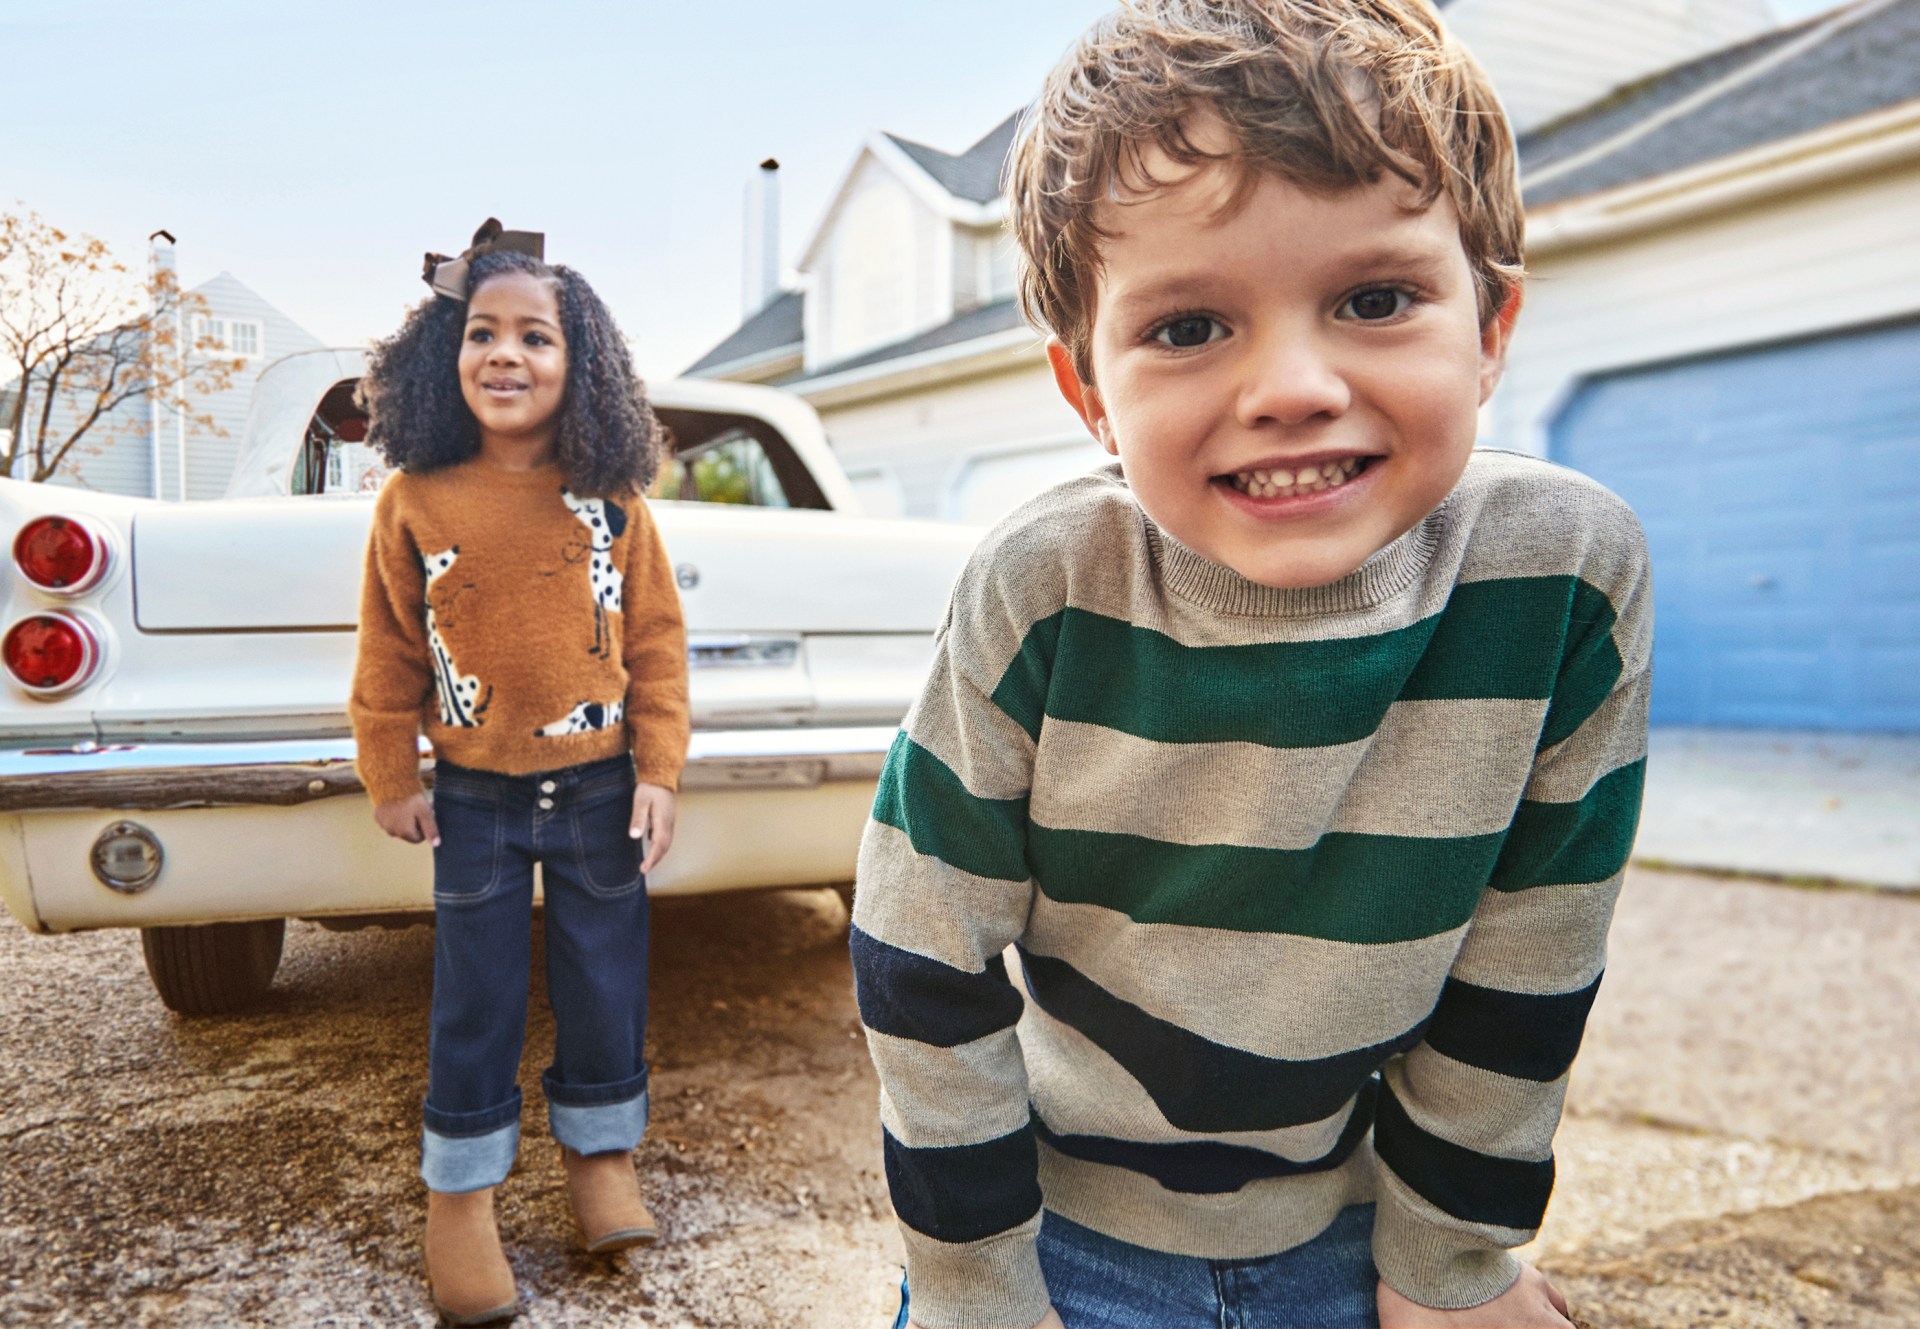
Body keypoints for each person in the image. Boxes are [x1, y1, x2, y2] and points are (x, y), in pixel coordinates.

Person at [852, 3, 1649, 1326]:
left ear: (1492, 326)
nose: (1291, 385)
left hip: (1358, 1221)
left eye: (1376, 299)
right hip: (1061, 1238)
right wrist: (978, 1291)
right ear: (1088, 391)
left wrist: (1450, 1266)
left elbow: (1535, 953)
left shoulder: (1565, 577)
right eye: (1187, 328)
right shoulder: (1042, 586)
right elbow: (923, 956)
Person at [350, 220, 690, 1326]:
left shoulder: (612, 503)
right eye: (482, 333)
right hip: (475, 801)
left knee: (604, 982)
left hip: (598, 790)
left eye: (535, 337)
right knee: (476, 999)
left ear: (577, 362)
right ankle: (462, 1196)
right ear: (445, 358)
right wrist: (390, 773)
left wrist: (661, 770)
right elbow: (390, 651)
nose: (507, 355)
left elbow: (656, 646)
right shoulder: (415, 500)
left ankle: (600, 1161)